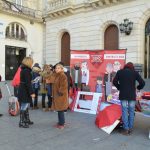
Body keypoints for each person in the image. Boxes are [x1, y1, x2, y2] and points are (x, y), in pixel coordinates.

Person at [113, 62, 145, 135]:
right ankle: (130, 128)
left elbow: (114, 82)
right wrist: (138, 88)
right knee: (131, 111)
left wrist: (119, 87)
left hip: (123, 95)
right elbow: (142, 83)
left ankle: (126, 129)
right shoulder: (134, 73)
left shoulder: (120, 72)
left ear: (125, 66)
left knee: (124, 111)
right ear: (132, 67)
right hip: (131, 95)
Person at [46, 63, 69, 129]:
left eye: (58, 68)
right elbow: (50, 80)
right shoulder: (56, 75)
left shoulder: (62, 75)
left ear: (62, 69)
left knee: (60, 110)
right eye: (56, 68)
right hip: (57, 95)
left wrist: (60, 92)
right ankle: (61, 122)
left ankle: (61, 124)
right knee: (59, 110)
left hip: (60, 96)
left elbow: (64, 85)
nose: (56, 69)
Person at [18, 57, 35, 128]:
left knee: (25, 105)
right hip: (25, 90)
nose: (32, 64)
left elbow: (26, 81)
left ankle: (26, 120)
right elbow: (28, 83)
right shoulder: (27, 71)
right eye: (31, 62)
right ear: (29, 62)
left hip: (23, 89)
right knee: (24, 105)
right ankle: (21, 122)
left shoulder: (23, 69)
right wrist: (32, 93)